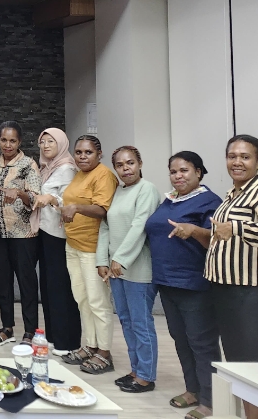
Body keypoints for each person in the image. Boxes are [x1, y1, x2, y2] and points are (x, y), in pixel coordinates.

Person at [146, 152, 221, 418]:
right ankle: (193, 390)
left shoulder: (210, 201)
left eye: (184, 170)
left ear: (198, 172)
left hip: (194, 283)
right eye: (173, 171)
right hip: (167, 282)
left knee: (202, 343)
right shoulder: (169, 200)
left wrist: (194, 230)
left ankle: (211, 400)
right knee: (181, 339)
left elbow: (216, 239)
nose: (178, 176)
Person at [0, 121, 41, 345]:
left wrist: (19, 193)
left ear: (19, 142)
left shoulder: (28, 164)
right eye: (4, 140)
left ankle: (30, 331)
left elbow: (35, 198)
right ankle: (7, 328)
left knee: (26, 283)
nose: (8, 145)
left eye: (12, 141)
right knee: (3, 283)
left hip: (22, 234)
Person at [98, 146, 161, 387]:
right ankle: (136, 370)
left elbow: (139, 226)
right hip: (116, 270)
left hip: (139, 269)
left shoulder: (147, 190)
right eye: (120, 165)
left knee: (141, 323)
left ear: (140, 163)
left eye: (130, 163)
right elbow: (105, 226)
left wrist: (120, 258)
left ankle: (146, 376)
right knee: (126, 320)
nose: (126, 169)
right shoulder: (118, 191)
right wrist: (102, 260)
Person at [206, 134, 258, 419]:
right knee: (236, 361)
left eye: (245, 157)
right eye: (232, 156)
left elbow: (237, 230)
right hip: (225, 288)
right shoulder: (233, 192)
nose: (237, 162)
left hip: (247, 291)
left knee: (249, 362)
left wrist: (236, 229)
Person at [60, 135, 119, 374]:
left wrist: (76, 207)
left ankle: (104, 352)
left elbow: (103, 209)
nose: (83, 156)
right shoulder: (79, 174)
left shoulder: (104, 175)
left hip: (93, 248)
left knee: (98, 302)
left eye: (88, 152)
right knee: (82, 299)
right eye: (79, 152)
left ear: (99, 154)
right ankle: (91, 345)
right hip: (73, 245)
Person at [30, 128, 82, 354]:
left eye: (51, 141)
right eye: (42, 142)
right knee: (48, 286)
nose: (46, 146)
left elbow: (69, 202)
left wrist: (51, 198)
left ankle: (66, 341)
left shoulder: (67, 169)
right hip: (45, 232)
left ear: (61, 144)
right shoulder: (46, 168)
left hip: (58, 235)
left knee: (61, 288)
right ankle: (52, 336)